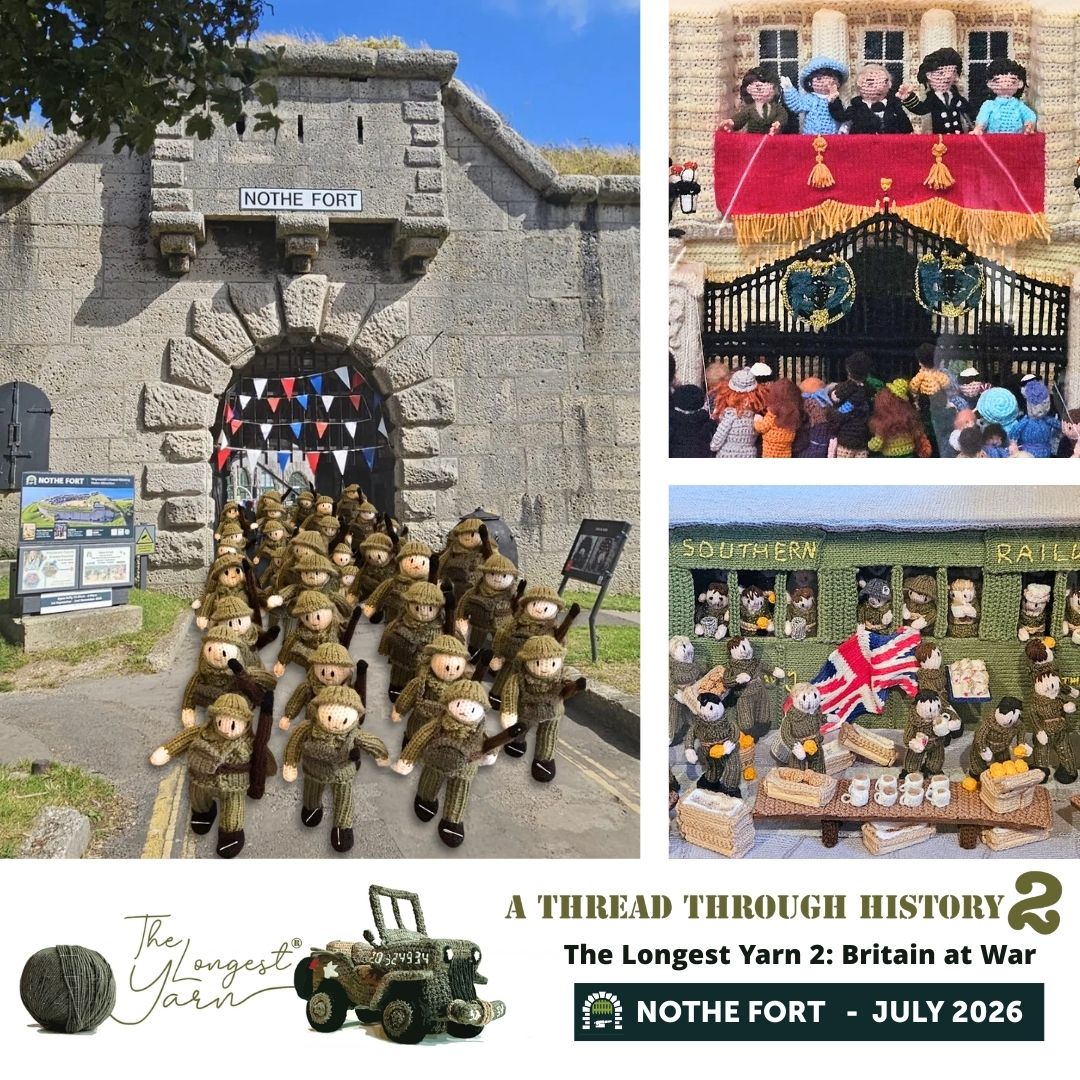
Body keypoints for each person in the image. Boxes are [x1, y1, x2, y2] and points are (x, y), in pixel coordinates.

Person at [829, 64, 912, 134]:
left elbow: (906, 128)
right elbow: (841, 117)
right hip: (862, 147)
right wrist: (834, 100)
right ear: (859, 86)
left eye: (883, 83)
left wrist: (900, 102)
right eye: (871, 84)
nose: (879, 88)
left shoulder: (893, 106)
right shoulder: (857, 108)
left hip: (891, 147)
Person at [972, 58, 1036, 134]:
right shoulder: (989, 105)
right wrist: (979, 127)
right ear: (990, 84)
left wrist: (1029, 125)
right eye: (999, 81)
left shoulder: (1019, 105)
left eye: (1011, 81)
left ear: (1020, 84)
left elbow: (1029, 115)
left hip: (1016, 142)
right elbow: (982, 118)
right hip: (992, 142)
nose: (1005, 84)